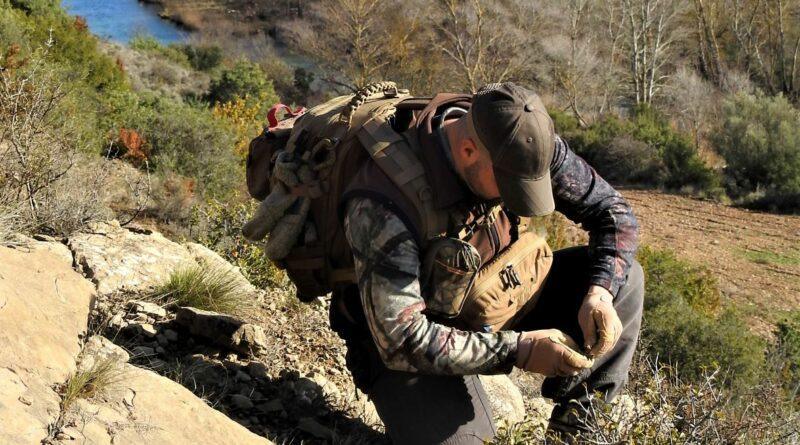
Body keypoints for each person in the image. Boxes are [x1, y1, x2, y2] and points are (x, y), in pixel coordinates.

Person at [329, 82, 643, 444]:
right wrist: (520, 350)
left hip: (496, 288)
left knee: (625, 280)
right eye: (511, 187)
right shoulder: (383, 201)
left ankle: (576, 432)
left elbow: (614, 214)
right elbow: (402, 340)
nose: (521, 198)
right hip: (409, 340)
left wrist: (600, 293)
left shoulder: (520, 143)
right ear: (467, 151)